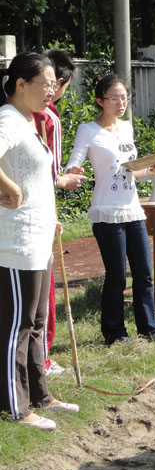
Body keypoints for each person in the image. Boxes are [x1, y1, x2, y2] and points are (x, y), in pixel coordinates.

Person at [0, 52, 79, 430]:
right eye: (46, 84)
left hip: (40, 235)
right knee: (18, 324)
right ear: (21, 84)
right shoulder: (9, 119)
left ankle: (40, 394)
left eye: (53, 84)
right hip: (16, 241)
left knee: (37, 320)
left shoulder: (31, 122)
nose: (53, 90)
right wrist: (12, 191)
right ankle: (15, 406)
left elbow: (38, 178)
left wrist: (52, 217)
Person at [65, 74, 155, 345]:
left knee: (144, 273)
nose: (120, 103)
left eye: (124, 98)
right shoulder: (88, 130)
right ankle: (115, 333)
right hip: (106, 211)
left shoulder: (127, 128)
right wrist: (71, 173)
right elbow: (74, 162)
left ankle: (150, 328)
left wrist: (151, 169)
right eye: (114, 98)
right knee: (116, 275)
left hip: (133, 209)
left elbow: (130, 170)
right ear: (101, 100)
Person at [34, 50, 87, 376]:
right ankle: (42, 357)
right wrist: (65, 180)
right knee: (42, 289)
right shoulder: (48, 117)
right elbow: (51, 174)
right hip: (35, 209)